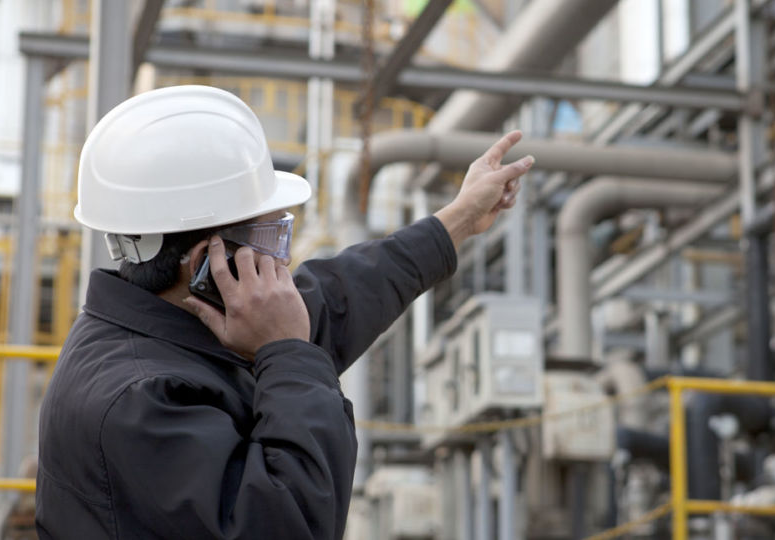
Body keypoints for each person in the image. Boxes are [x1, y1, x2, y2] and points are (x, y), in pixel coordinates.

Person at [35, 85, 533, 539]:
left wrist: (459, 219)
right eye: (272, 237)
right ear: (205, 263)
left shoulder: (179, 324)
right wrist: (288, 354)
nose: (284, 259)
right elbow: (292, 521)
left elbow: (335, 296)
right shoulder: (140, 401)